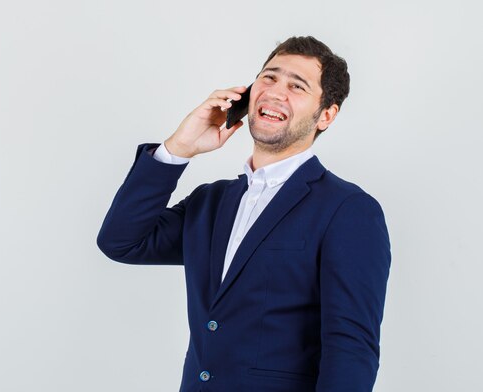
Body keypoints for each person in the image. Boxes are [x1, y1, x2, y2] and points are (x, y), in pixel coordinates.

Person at [97, 36, 391, 392]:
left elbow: (351, 350)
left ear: (326, 115)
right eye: (268, 78)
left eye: (297, 86)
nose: (276, 92)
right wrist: (178, 148)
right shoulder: (211, 201)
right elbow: (121, 242)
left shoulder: (348, 210)